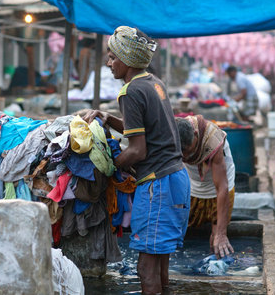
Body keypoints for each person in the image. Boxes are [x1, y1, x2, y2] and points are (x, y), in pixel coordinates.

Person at [83, 26, 190, 295]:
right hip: (176, 178)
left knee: (145, 268)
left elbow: (138, 150)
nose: (109, 64)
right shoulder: (153, 82)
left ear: (127, 59)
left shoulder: (129, 92)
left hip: (157, 185)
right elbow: (145, 130)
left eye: (112, 57)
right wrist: (108, 118)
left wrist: (109, 167)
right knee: (160, 262)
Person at [175, 115, 235, 259]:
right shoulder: (170, 133)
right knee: (178, 233)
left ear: (196, 135)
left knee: (217, 243)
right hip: (192, 185)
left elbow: (221, 188)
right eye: (182, 154)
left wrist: (221, 233)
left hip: (217, 190)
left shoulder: (212, 140)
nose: (186, 157)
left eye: (189, 151)